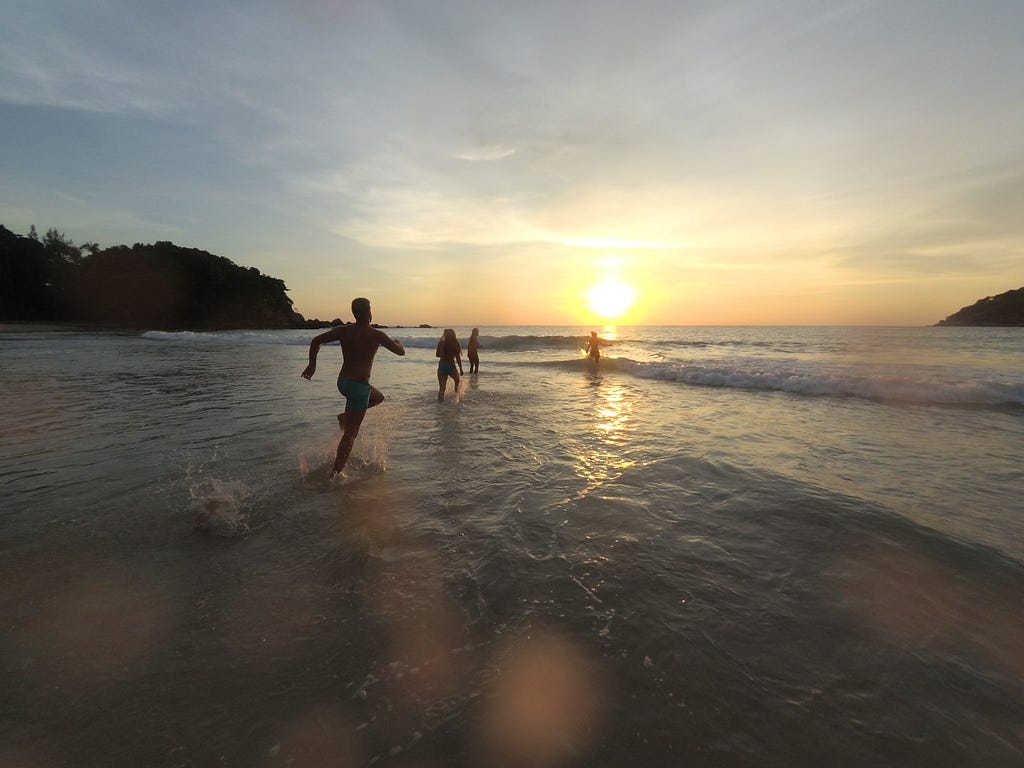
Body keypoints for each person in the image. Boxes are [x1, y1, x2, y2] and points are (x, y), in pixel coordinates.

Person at [301, 297, 405, 476]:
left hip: (343, 383)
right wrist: (398, 343)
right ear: (369, 312)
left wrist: (312, 365)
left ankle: (344, 417)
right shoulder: (376, 334)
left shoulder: (344, 330)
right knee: (350, 435)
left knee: (378, 397)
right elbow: (400, 352)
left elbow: (315, 340)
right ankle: (336, 473)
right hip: (358, 387)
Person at [436, 328, 464, 400]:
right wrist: (460, 368)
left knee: (442, 389)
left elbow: (437, 355)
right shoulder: (454, 343)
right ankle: (456, 397)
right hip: (451, 366)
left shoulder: (442, 343)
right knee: (457, 381)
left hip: (442, 366)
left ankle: (440, 405)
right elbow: (458, 358)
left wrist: (441, 345)